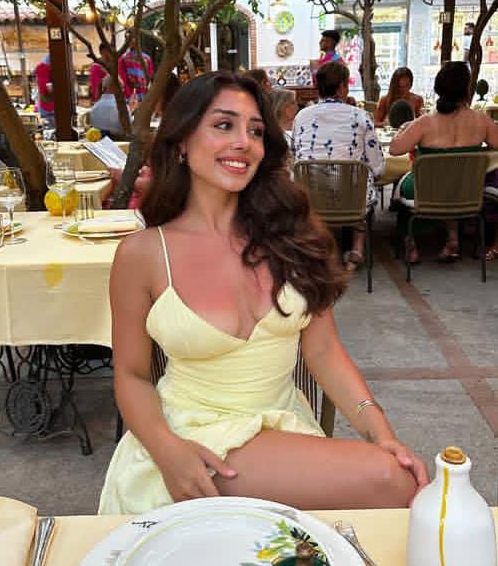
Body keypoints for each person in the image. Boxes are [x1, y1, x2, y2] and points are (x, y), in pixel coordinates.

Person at [98, 70, 426, 514]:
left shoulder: (294, 235)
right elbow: (132, 375)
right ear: (181, 142)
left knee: (397, 477)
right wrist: (166, 449)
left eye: (255, 131)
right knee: (393, 482)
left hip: (285, 431)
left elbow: (324, 352)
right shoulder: (142, 254)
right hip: (194, 440)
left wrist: (381, 433)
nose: (243, 142)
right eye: (223, 125)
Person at [390, 61, 498, 263]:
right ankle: (452, 239)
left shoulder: (425, 122)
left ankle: (411, 245)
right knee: (452, 182)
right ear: (466, 89)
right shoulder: (482, 120)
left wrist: (403, 130)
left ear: (438, 87)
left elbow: (395, 149)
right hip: (466, 191)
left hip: (427, 191)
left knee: (401, 188)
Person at [293, 62, 384, 272]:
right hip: (352, 199)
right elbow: (377, 165)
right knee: (360, 183)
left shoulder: (302, 117)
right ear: (343, 87)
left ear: (318, 88)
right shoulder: (361, 116)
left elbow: (295, 153)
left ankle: (317, 248)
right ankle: (357, 249)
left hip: (311, 195)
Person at [118, 34, 154, 101]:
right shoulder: (122, 59)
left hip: (131, 97)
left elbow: (150, 77)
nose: (131, 41)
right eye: (128, 39)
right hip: (137, 97)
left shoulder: (147, 59)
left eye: (132, 38)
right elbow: (122, 79)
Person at [34, 55, 54, 125]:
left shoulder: (41, 68)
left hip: (45, 105)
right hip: (48, 105)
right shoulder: (43, 68)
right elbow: (48, 88)